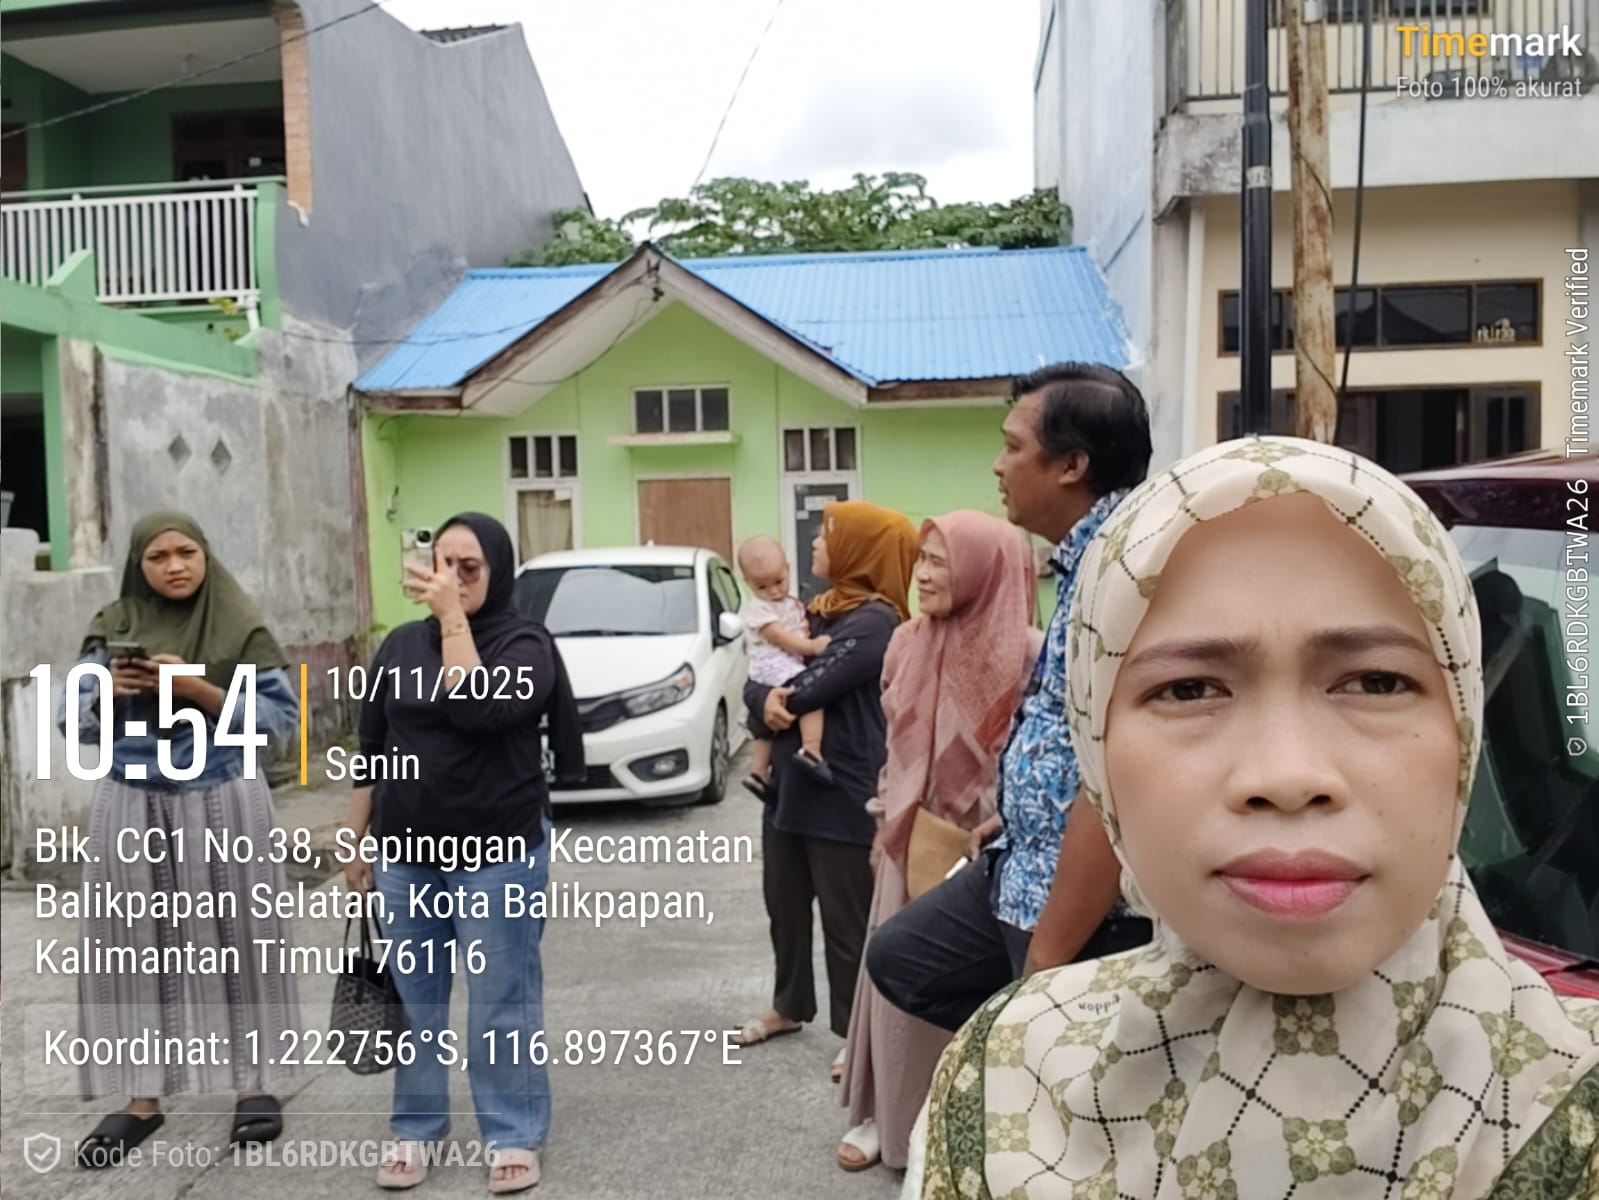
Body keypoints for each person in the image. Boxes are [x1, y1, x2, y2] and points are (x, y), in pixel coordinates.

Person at [912, 436, 1599, 1199]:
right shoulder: (1003, 1074)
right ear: (1097, 752)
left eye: (1374, 682)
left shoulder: (1570, 1105)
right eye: (1188, 689)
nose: (1286, 776)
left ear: (1463, 729)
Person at [867, 363, 1154, 1034]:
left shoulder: (1126, 576)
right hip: (1018, 857)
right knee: (901, 960)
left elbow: (1115, 780)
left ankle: (1022, 1045)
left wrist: (1046, 962)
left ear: (1071, 466)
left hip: (1071, 897)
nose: (998, 466)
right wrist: (1019, 816)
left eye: (1012, 446)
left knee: (1059, 1068)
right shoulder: (1083, 565)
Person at [342, 512, 581, 1195]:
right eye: (440, 564)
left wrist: (452, 620)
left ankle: (513, 1131)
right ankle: (416, 1126)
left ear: (496, 571)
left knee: (500, 998)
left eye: (467, 567)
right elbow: (372, 748)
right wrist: (354, 840)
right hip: (406, 853)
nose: (451, 578)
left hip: (498, 852)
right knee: (415, 997)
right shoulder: (398, 647)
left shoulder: (524, 644)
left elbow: (478, 708)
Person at [59, 511, 303, 1168]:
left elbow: (281, 724)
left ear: (205, 555)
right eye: (158, 556)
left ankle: (255, 1087)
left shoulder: (239, 624)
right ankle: (140, 1099)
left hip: (223, 793)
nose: (174, 566)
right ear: (138, 565)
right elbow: (70, 722)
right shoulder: (114, 624)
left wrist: (195, 688)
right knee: (131, 947)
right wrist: (107, 692)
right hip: (131, 797)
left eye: (186, 552)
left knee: (242, 940)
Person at [836, 511, 1039, 1173]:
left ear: (984, 572)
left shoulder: (1029, 652)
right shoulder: (905, 642)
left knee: (974, 991)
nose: (921, 575)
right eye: (920, 559)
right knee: (895, 985)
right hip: (911, 833)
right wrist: (884, 818)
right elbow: (893, 747)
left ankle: (961, 1126)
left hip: (990, 848)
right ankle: (886, 1119)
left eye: (939, 562)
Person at [731, 501, 918, 1081]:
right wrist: (761, 698)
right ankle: (789, 1005)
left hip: (840, 785)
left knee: (845, 918)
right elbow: (759, 676)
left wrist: (773, 697)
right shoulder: (814, 609)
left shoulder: (876, 621)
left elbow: (813, 685)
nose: (814, 544)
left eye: (827, 536)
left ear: (860, 551)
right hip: (790, 782)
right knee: (784, 904)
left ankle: (853, 1030)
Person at [735, 534, 832, 799]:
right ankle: (811, 749)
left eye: (779, 582)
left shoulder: (789, 601)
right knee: (810, 694)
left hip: (777, 664)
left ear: (787, 568)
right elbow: (780, 638)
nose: (774, 592)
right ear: (747, 583)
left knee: (768, 728)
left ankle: (758, 772)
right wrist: (812, 647)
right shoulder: (760, 609)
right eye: (762, 587)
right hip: (774, 662)